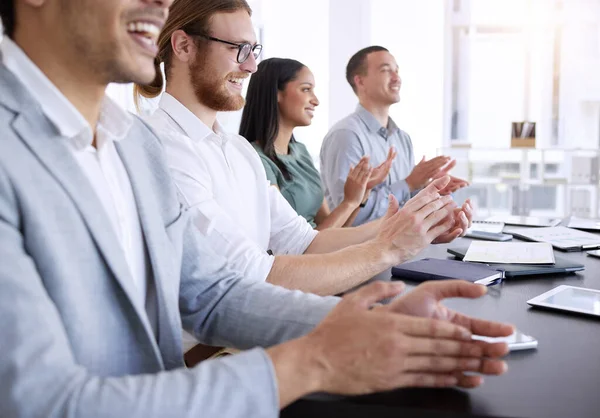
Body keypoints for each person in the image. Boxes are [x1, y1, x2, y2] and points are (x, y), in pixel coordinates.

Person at [0, 0, 515, 415]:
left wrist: (363, 321)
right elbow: (39, 402)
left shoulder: (129, 142)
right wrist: (313, 360)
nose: (159, 2)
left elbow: (210, 291)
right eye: (238, 48)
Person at [137, 1, 474, 303]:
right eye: (239, 49)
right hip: (209, 353)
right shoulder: (161, 148)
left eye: (254, 49)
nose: (252, 66)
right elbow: (252, 275)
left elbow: (306, 242)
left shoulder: (238, 151)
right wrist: (390, 246)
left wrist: (411, 222)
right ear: (183, 46)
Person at [320, 46, 470, 226]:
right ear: (360, 81)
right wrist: (409, 183)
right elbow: (348, 217)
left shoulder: (402, 138)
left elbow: (405, 205)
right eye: (385, 70)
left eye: (396, 71)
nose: (396, 78)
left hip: (399, 247)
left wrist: (430, 189)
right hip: (360, 250)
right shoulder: (346, 135)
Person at [240, 57, 394, 230]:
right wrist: (349, 202)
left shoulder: (300, 151)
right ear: (276, 93)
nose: (316, 100)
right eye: (306, 89)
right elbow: (302, 245)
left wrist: (360, 195)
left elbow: (331, 232)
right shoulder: (255, 159)